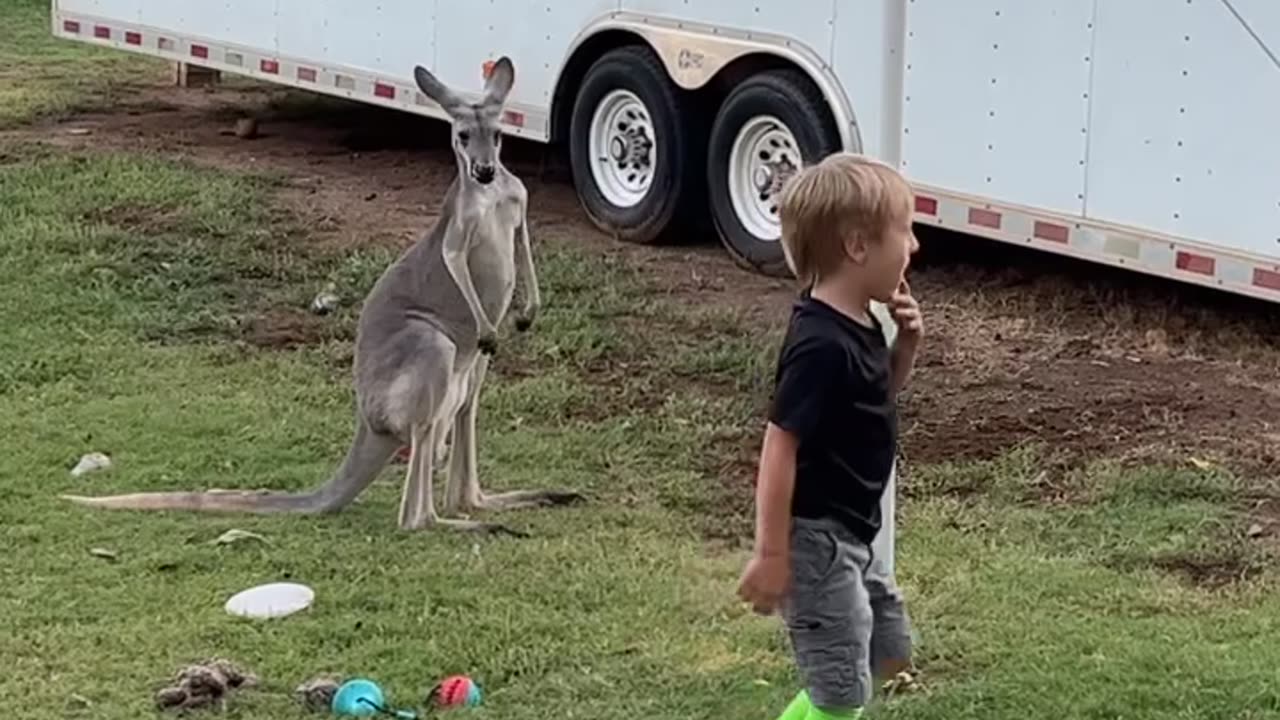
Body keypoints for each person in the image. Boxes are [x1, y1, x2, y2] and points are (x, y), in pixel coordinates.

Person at [737, 152, 923, 720]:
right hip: (816, 543)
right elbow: (779, 447)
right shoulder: (818, 344)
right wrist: (772, 554)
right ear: (857, 246)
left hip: (853, 536)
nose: (913, 245)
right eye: (905, 230)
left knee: (889, 655)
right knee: (841, 691)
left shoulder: (862, 321)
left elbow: (874, 398)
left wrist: (905, 349)